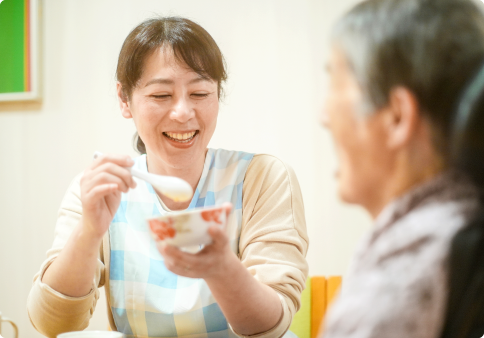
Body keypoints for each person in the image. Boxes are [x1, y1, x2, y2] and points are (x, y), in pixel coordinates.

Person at [27, 17, 308, 338]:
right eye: (161, 96)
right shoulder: (98, 190)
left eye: (200, 93)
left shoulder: (262, 178)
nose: (182, 112)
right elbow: (51, 324)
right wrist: (89, 232)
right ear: (124, 99)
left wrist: (222, 269)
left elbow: (271, 326)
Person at [319, 0, 484, 337]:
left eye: (334, 84)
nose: (323, 118)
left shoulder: (396, 283)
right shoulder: (462, 227)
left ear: (397, 116)